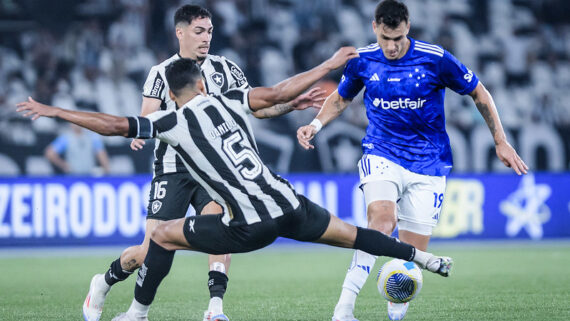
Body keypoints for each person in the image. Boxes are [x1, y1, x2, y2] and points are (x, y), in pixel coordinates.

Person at [17, 52, 453, 321]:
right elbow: (277, 92)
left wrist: (55, 111)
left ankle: (137, 312)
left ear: (172, 94)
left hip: (249, 226)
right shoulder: (228, 99)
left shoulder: (171, 119)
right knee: (355, 234)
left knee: (163, 238)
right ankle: (424, 258)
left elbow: (114, 125)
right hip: (289, 204)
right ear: (203, 84)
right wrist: (327, 65)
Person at [78, 5, 324, 321]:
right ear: (179, 32)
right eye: (198, 31)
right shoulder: (161, 72)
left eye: (209, 31)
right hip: (173, 170)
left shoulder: (227, 69)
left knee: (223, 225)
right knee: (147, 251)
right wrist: (140, 133)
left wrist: (290, 105)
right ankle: (105, 280)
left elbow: (257, 108)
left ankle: (215, 308)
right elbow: (146, 115)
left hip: (213, 169)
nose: (206, 38)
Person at [296, 1, 529, 320]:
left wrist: (501, 141)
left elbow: (479, 93)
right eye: (386, 38)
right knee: (380, 221)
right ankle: (344, 307)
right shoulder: (362, 60)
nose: (391, 47)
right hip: (381, 153)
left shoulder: (435, 59)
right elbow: (341, 98)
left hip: (429, 163)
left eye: (399, 38)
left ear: (408, 28)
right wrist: (316, 124)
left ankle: (396, 308)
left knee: (409, 257)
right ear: (375, 27)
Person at [45, 123, 110, 175]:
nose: (76, 125)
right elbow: (50, 153)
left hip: (90, 174)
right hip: (73, 175)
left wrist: (106, 170)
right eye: (74, 122)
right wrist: (64, 165)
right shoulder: (66, 138)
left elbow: (101, 154)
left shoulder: (92, 136)